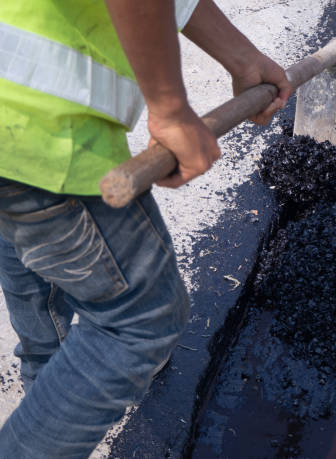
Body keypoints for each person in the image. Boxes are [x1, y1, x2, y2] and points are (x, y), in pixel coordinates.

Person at [0, 1, 292, 457]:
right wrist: (172, 110)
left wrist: (241, 56)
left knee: (24, 235)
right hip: (39, 120)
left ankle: (48, 368)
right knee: (141, 320)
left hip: (12, 122)